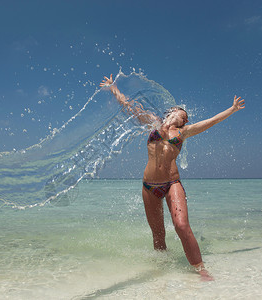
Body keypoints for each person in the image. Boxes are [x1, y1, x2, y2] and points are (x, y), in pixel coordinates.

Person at [100, 74, 245, 281]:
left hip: (171, 184)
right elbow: (128, 106)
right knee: (158, 235)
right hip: (149, 186)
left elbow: (211, 121)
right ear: (172, 112)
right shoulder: (152, 123)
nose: (185, 118)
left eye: (186, 117)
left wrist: (232, 109)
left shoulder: (184, 132)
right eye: (182, 113)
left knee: (181, 225)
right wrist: (113, 88)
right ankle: (161, 271)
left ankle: (200, 268)